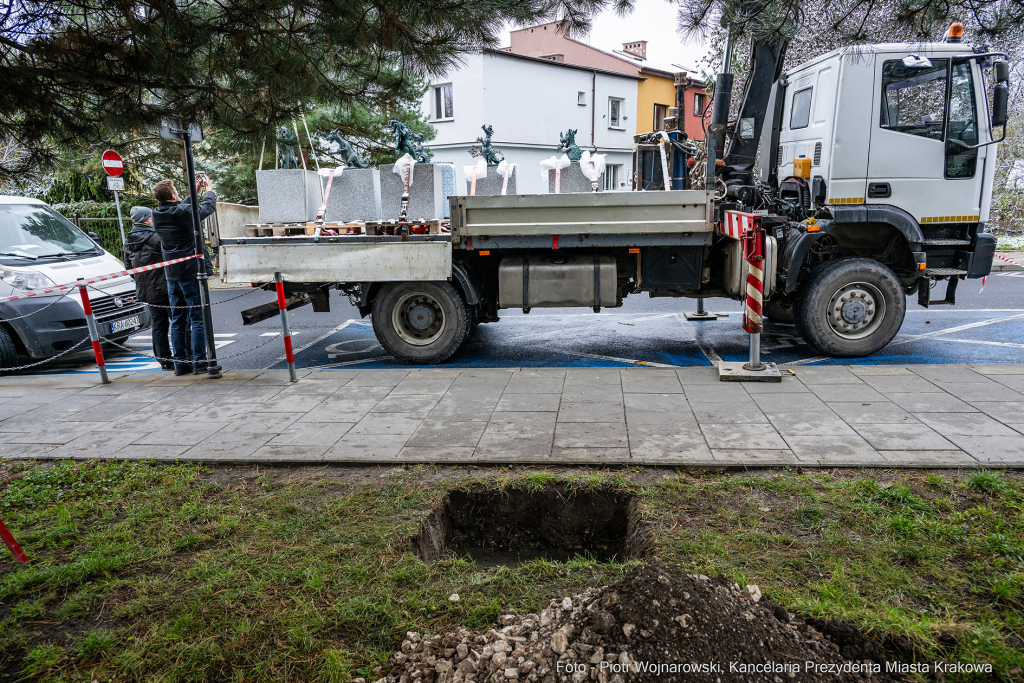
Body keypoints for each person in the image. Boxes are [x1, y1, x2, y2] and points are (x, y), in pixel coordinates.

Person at [151, 176, 217, 376]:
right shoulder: (181, 212)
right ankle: (200, 362)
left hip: (172, 275)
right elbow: (207, 208)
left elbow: (181, 208)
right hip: (191, 272)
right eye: (176, 192)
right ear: (173, 196)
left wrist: (195, 192)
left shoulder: (157, 214)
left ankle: (180, 364)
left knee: (178, 320)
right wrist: (209, 190)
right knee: (197, 318)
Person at [123, 206, 174, 371]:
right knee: (179, 322)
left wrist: (143, 282)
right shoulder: (156, 237)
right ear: (146, 219)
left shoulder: (128, 241)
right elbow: (170, 258)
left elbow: (129, 268)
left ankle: (164, 361)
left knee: (159, 325)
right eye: (152, 216)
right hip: (165, 288)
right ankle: (184, 357)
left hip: (146, 291)